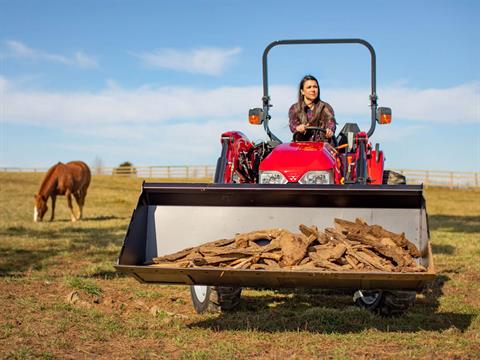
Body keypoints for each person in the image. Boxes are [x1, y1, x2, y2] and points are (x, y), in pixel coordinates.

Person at [288, 74, 337, 143]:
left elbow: (331, 123)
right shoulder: (295, 108)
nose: (313, 90)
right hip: (301, 147)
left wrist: (329, 130)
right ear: (302, 91)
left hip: (321, 148)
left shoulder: (326, 107)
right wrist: (298, 128)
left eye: (315, 87)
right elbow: (293, 125)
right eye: (309, 87)